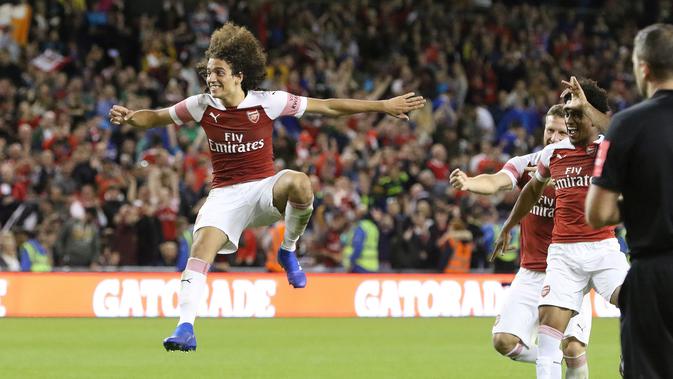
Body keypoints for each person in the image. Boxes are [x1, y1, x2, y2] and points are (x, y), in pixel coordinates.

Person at [108, 22, 425, 352]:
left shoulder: (270, 102)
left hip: (263, 190)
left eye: (219, 72)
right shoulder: (201, 105)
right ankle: (185, 328)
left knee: (300, 182)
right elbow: (157, 117)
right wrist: (131, 117)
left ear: (239, 76)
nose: (211, 78)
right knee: (200, 249)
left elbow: (329, 106)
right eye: (209, 72)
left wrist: (382, 106)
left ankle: (288, 249)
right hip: (225, 195)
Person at [492, 77, 629, 379]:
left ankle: (632, 354)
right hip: (563, 255)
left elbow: (619, 131)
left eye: (576, 113)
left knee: (638, 302)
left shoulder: (605, 148)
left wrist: (587, 107)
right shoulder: (553, 153)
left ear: (593, 116)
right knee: (551, 335)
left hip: (603, 248)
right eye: (567, 113)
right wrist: (509, 225)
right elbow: (530, 191)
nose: (569, 120)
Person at [450, 104, 593, 378]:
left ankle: (555, 359)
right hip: (531, 273)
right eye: (549, 130)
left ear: (572, 132)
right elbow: (496, 181)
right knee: (503, 340)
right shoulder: (526, 163)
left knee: (573, 347)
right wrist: (470, 183)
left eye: (561, 132)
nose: (553, 137)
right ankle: (549, 360)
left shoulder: (582, 170)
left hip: (570, 272)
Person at [586, 23, 673, 379]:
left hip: (654, 275)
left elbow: (598, 212)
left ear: (643, 67)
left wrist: (642, 200)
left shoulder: (627, 125)